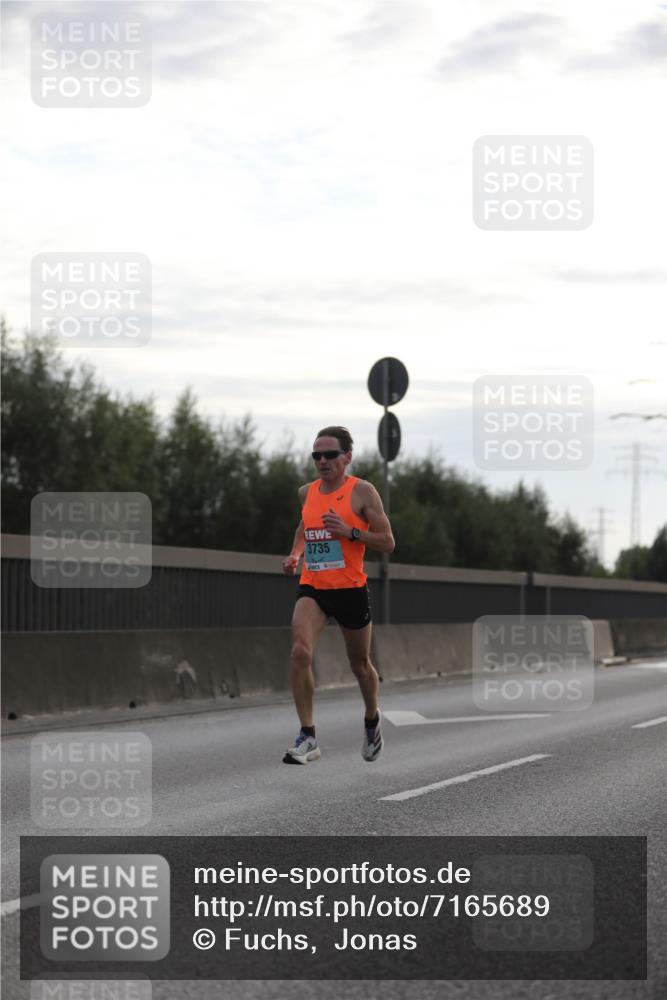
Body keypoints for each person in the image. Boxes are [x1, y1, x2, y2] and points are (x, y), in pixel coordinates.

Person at [281, 426, 395, 765]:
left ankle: (372, 719)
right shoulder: (307, 492)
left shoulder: (362, 492)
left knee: (360, 666)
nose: (322, 461)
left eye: (329, 454)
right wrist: (295, 554)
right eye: (316, 455)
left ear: (347, 457)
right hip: (314, 587)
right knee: (300, 652)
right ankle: (308, 737)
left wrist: (351, 532)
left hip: (350, 590)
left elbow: (388, 542)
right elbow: (304, 526)